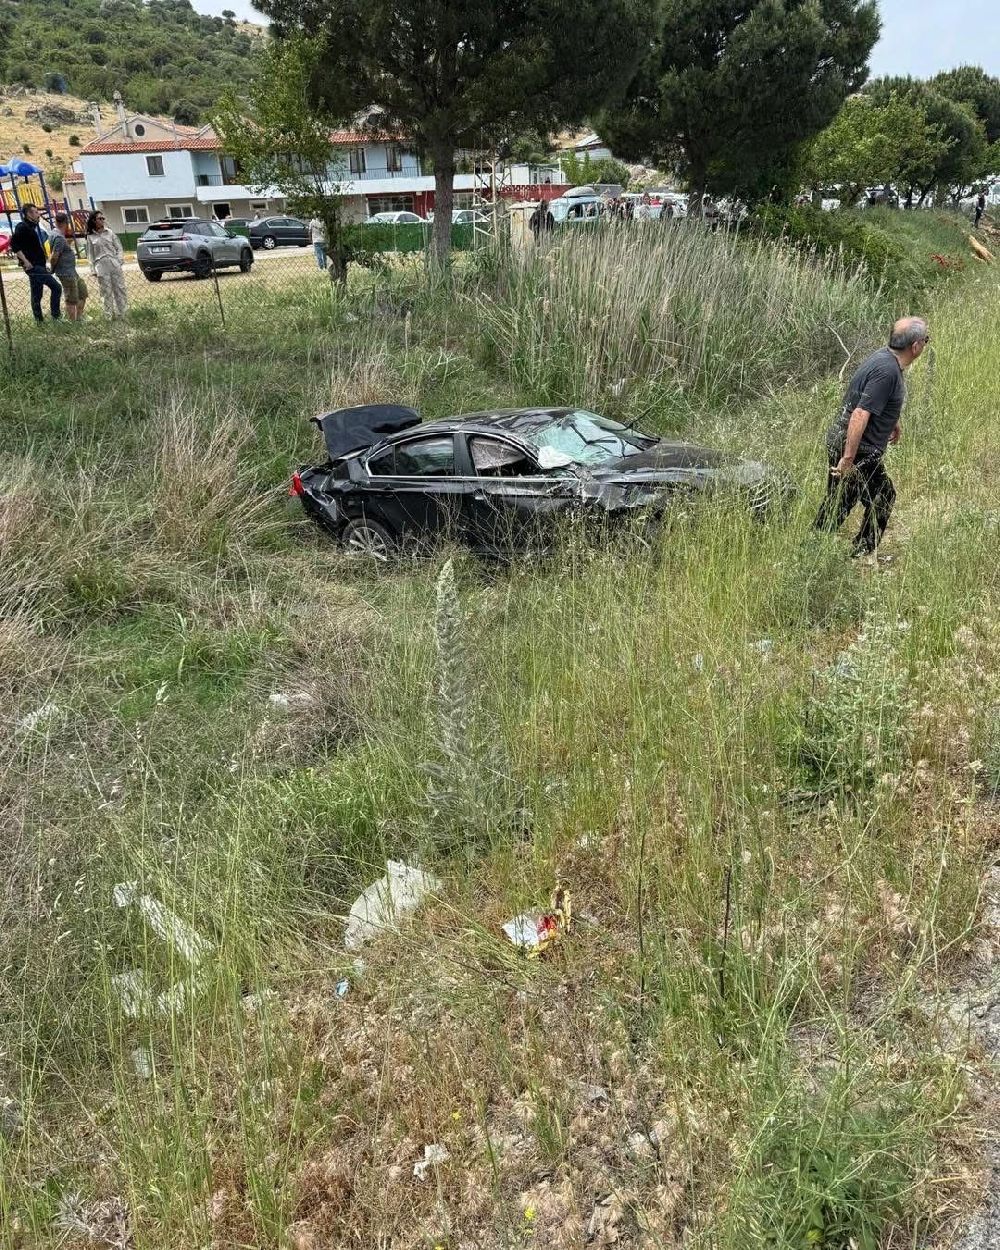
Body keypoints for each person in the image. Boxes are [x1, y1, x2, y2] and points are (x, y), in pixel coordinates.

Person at [815, 317, 930, 557]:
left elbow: (870, 397)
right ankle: (860, 553)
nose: (925, 345)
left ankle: (815, 550)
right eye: (925, 340)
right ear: (916, 346)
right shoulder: (888, 371)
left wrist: (892, 420)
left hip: (844, 440)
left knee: (839, 502)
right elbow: (859, 414)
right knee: (882, 496)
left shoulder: (883, 358)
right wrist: (848, 459)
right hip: (858, 450)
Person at [12, 204, 61, 323]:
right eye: (35, 212)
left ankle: (39, 321)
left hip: (38, 265)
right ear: (29, 214)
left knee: (36, 294)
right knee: (56, 287)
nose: (38, 214)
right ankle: (56, 316)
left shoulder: (31, 227)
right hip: (33, 266)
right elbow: (14, 244)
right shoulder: (22, 226)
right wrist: (25, 261)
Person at [85, 209, 128, 319]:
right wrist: (93, 269)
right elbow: (90, 255)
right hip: (101, 266)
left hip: (114, 264)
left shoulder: (110, 233)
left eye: (103, 218)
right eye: (100, 219)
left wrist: (118, 261)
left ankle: (123, 314)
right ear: (94, 221)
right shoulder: (90, 237)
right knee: (106, 292)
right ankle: (108, 316)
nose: (102, 220)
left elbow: (119, 248)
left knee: (120, 289)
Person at [49, 212, 88, 321]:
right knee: (71, 299)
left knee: (82, 292)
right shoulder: (58, 237)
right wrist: (52, 269)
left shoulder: (57, 235)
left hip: (71, 271)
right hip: (65, 272)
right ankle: (73, 322)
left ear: (56, 222)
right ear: (67, 223)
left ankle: (79, 318)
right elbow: (54, 256)